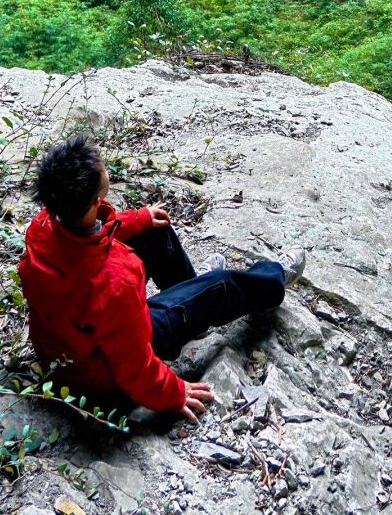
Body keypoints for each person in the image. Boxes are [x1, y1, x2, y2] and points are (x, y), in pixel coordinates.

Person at [18, 135, 303, 423]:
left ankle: (192, 298)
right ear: (95, 200)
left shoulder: (43, 228)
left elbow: (89, 238)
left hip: (75, 351)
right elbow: (133, 367)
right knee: (218, 286)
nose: (104, 164)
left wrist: (138, 220)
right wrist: (173, 393)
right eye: (101, 166)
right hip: (104, 382)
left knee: (153, 231)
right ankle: (274, 278)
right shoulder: (115, 282)